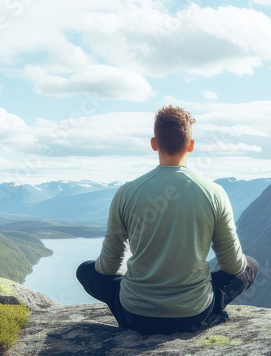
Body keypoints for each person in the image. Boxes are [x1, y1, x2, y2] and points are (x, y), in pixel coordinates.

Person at [76, 104, 259, 335]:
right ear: (191, 145)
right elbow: (233, 265)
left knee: (85, 270)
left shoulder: (126, 192)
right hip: (194, 313)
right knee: (250, 265)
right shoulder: (214, 193)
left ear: (154, 143)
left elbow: (108, 267)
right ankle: (211, 316)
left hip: (134, 314)